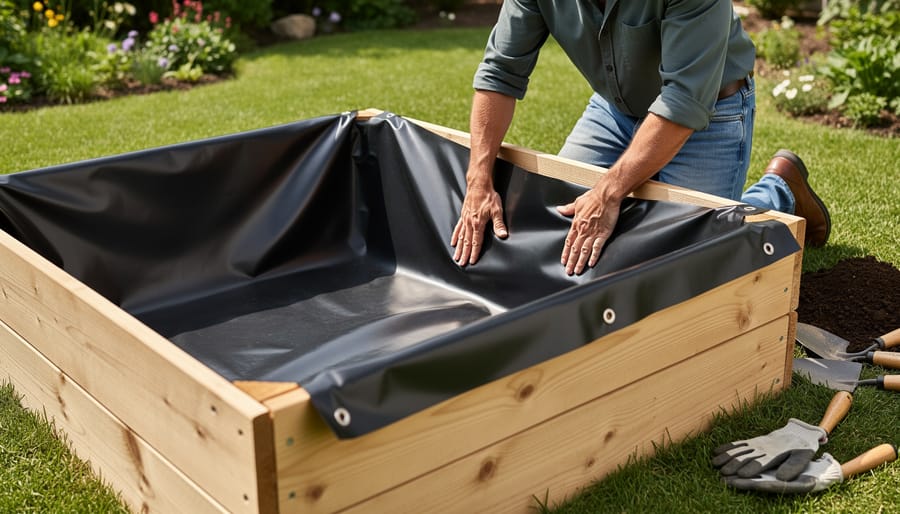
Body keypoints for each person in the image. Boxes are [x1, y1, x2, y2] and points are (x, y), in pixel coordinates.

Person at [450, 0, 831, 276]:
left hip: (708, 111)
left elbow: (683, 100)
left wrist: (608, 191)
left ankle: (779, 189)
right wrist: (478, 178)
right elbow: (500, 72)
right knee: (563, 212)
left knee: (693, 258)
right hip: (615, 108)